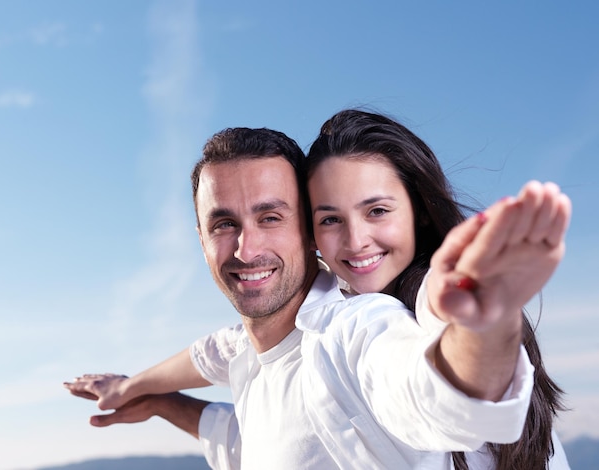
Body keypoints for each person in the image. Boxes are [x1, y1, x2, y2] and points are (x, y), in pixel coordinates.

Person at [65, 123, 571, 469]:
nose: (247, 247)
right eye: (223, 224)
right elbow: (238, 402)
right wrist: (144, 395)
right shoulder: (257, 351)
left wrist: (486, 324)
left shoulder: (359, 328)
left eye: (270, 217)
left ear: (305, 232)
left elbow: (433, 392)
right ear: (200, 238)